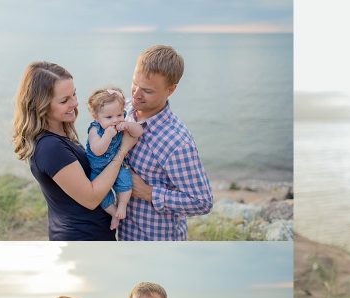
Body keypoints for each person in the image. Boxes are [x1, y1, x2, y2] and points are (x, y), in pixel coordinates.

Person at [13, 62, 141, 241]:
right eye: (64, 100)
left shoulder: (60, 134)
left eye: (74, 94)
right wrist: (123, 150)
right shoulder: (51, 148)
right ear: (40, 105)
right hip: (82, 242)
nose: (74, 103)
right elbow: (91, 198)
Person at [120, 45, 214, 241]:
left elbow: (203, 202)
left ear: (170, 90)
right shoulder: (126, 108)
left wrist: (148, 193)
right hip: (122, 235)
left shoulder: (177, 142)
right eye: (134, 83)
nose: (136, 94)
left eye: (147, 90)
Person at [86, 87, 134, 231]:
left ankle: (122, 205)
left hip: (118, 167)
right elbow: (97, 150)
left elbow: (139, 132)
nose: (115, 120)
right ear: (96, 117)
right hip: (98, 170)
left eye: (119, 115)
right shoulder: (95, 130)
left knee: (126, 183)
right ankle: (114, 213)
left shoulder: (122, 123)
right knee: (102, 197)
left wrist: (129, 126)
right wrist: (107, 136)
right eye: (109, 117)